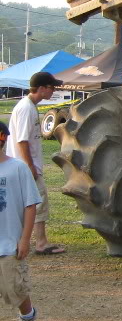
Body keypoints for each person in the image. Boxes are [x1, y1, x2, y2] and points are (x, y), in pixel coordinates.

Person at [6, 71, 65, 255]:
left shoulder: (30, 106)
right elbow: (22, 141)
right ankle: (40, 243)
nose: (53, 90)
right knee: (38, 202)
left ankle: (37, 241)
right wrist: (30, 167)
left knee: (31, 204)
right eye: (51, 87)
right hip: (26, 167)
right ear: (41, 88)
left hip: (25, 166)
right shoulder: (26, 108)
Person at [0, 120, 41, 321]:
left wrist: (25, 239)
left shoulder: (17, 168)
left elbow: (30, 204)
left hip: (9, 242)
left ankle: (27, 315)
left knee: (15, 288)